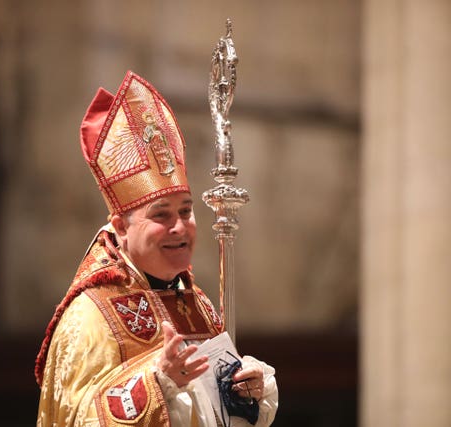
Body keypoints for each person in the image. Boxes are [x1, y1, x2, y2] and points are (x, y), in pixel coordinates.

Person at [35, 71, 278, 426]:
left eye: (185, 210)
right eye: (161, 215)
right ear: (120, 228)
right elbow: (74, 418)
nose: (179, 226)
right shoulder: (89, 318)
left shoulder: (198, 305)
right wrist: (156, 383)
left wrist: (247, 391)